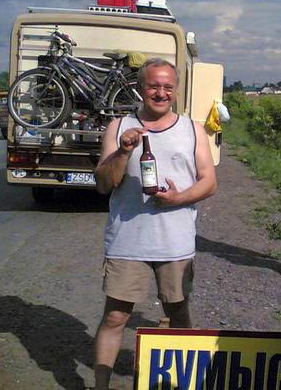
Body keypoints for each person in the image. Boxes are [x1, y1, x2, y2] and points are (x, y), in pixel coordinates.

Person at [92, 58, 216, 390]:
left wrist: (179, 198)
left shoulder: (192, 129)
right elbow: (103, 184)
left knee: (179, 315)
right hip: (127, 241)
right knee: (115, 316)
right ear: (140, 88)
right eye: (153, 86)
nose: (161, 93)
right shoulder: (118, 127)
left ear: (176, 90)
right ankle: (100, 385)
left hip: (175, 242)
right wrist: (123, 151)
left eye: (167, 87)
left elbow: (209, 182)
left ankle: (182, 382)